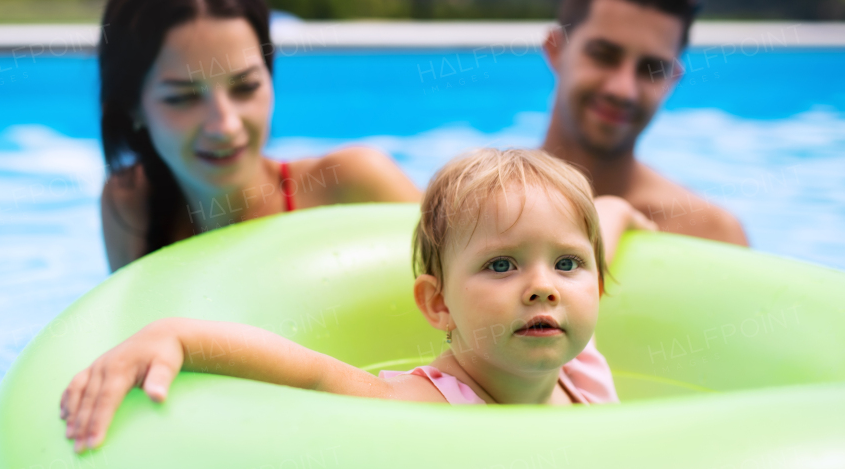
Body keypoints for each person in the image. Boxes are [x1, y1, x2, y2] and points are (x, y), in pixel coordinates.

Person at [61, 148, 619, 452]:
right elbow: (313, 374)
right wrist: (178, 336)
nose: (544, 285)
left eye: (567, 264)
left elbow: (605, 228)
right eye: (501, 265)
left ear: (594, 286)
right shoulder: (428, 410)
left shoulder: (581, 365)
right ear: (438, 304)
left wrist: (623, 211)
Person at [98, 0, 420, 271]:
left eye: (245, 87)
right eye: (183, 98)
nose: (225, 125)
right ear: (132, 107)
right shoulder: (129, 205)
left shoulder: (353, 187)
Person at [542, 0, 749, 245]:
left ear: (672, 80)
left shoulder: (709, 235)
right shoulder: (469, 209)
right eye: (603, 55)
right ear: (555, 49)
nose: (623, 90)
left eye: (652, 69)